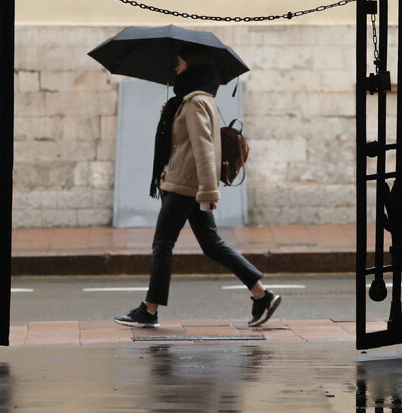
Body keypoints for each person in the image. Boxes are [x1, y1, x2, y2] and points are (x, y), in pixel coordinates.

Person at [114, 43, 282, 329]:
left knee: (162, 245)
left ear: (191, 65)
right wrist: (169, 115)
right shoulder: (190, 101)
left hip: (185, 187)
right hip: (186, 184)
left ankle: (149, 310)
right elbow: (184, 143)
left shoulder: (195, 102)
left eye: (179, 63)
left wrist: (208, 192)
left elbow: (205, 149)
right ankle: (261, 295)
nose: (175, 68)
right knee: (212, 244)